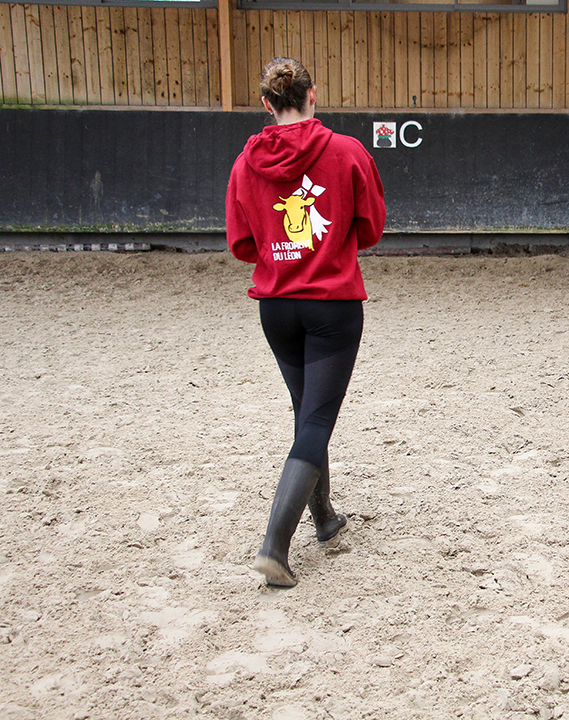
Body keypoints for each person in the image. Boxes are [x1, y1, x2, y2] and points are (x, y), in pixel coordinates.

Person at [225, 57, 386, 587]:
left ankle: (323, 516)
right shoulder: (347, 152)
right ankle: (274, 546)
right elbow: (371, 228)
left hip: (277, 305)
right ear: (312, 95)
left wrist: (283, 250)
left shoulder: (245, 165)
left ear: (267, 104)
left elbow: (242, 244)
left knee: (307, 414)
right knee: (316, 420)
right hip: (332, 303)